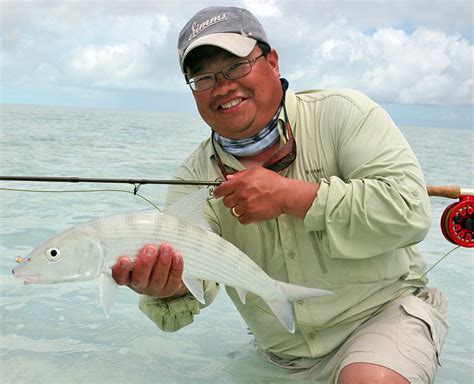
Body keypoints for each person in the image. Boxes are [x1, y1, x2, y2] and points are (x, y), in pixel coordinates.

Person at [112, 6, 448, 383]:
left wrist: (294, 196)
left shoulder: (344, 114)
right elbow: (184, 299)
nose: (223, 86)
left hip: (382, 317)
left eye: (236, 66)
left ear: (272, 61)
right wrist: (169, 288)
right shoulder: (192, 179)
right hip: (280, 352)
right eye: (203, 77)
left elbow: (410, 210)